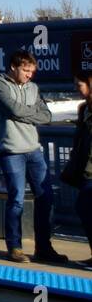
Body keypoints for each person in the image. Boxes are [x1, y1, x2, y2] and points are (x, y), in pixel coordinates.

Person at [0, 49, 65, 264]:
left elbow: (47, 116)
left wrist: (25, 111)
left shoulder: (33, 88)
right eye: (26, 70)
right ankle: (15, 247)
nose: (30, 75)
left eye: (32, 71)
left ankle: (44, 247)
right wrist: (30, 113)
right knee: (17, 200)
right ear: (13, 67)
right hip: (11, 150)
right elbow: (14, 110)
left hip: (34, 150)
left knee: (46, 197)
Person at [60, 69, 92, 265]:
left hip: (90, 170)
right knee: (84, 209)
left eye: (79, 85)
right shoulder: (84, 109)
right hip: (84, 169)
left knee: (85, 206)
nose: (76, 89)